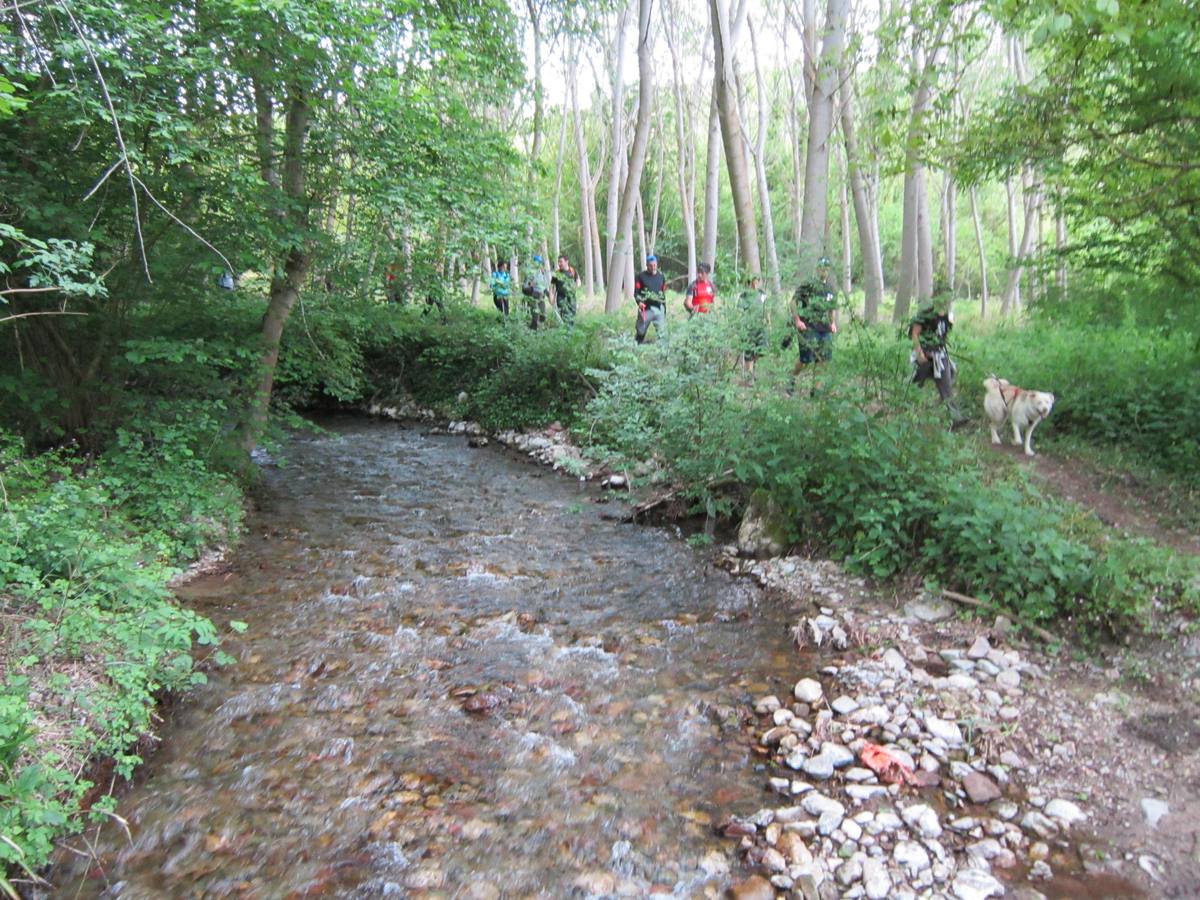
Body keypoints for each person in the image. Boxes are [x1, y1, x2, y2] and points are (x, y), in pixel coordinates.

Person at [909, 294, 968, 429]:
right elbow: (915, 333)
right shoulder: (925, 315)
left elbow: (943, 335)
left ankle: (955, 418)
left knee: (946, 386)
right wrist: (919, 353)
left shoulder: (948, 317)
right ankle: (906, 413)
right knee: (915, 386)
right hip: (924, 356)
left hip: (940, 357)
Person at [791, 256, 838, 378]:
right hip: (809, 328)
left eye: (826, 269)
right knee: (805, 360)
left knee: (823, 360)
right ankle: (791, 378)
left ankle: (815, 391)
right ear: (817, 269)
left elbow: (832, 308)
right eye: (822, 268)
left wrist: (833, 323)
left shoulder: (830, 289)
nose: (824, 271)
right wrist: (797, 320)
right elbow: (793, 301)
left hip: (825, 329)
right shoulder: (808, 285)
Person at [737, 275, 768, 373]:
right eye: (752, 283)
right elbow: (740, 311)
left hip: (760, 326)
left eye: (756, 283)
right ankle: (749, 375)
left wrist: (768, 321)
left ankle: (753, 366)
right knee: (749, 351)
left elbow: (766, 308)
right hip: (748, 327)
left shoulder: (762, 294)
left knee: (762, 349)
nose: (754, 285)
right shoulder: (744, 296)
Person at [634, 254, 667, 343]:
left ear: (657, 264)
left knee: (662, 333)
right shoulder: (640, 276)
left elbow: (663, 294)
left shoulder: (661, 276)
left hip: (659, 308)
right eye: (650, 265)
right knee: (641, 331)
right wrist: (639, 302)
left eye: (654, 265)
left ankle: (663, 352)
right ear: (647, 265)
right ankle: (637, 347)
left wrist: (664, 309)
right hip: (646, 309)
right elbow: (636, 292)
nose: (653, 267)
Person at [550, 254, 580, 327]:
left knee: (572, 316)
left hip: (572, 298)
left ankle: (570, 333)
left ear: (566, 262)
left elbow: (578, 281)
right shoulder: (556, 274)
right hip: (561, 298)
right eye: (558, 262)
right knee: (565, 316)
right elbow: (552, 287)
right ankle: (567, 332)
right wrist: (551, 298)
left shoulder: (572, 271)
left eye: (561, 262)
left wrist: (575, 287)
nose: (559, 264)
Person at [522, 254, 549, 329]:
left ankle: (540, 328)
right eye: (537, 262)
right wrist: (531, 285)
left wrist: (548, 295)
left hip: (541, 296)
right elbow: (525, 287)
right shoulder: (530, 273)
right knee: (535, 314)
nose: (539, 264)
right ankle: (533, 330)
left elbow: (545, 286)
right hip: (533, 295)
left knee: (543, 315)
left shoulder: (543, 273)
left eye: (540, 262)